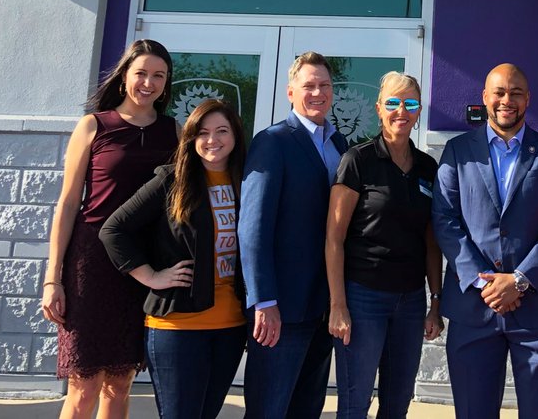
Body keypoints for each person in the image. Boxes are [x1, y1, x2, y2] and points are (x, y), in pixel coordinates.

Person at [40, 39, 179, 419]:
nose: (148, 83)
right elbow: (68, 204)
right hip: (90, 265)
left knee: (119, 386)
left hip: (142, 267)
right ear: (124, 76)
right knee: (83, 388)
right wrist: (53, 278)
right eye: (141, 73)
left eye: (159, 76)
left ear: (166, 83)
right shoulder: (93, 126)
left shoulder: (174, 132)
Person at [431, 63, 538, 419]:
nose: (506, 100)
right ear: (485, 97)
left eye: (515, 93)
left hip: (535, 310)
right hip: (473, 307)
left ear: (528, 99)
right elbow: (445, 220)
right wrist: (485, 283)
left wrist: (520, 280)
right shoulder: (457, 151)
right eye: (499, 92)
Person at [100, 99, 249, 419]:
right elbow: (113, 230)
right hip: (178, 325)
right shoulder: (171, 180)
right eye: (203, 132)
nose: (212, 140)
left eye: (222, 131)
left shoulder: (248, 182)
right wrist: (152, 276)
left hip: (231, 327)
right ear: (191, 138)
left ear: (236, 135)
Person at [326, 72, 444, 419]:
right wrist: (338, 305)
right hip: (364, 298)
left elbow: (431, 241)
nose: (401, 111)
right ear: (379, 109)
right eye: (393, 102)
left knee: (397, 404)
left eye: (410, 103)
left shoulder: (427, 167)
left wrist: (435, 302)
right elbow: (334, 238)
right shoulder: (358, 160)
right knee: (355, 404)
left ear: (419, 111)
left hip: (410, 301)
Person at [239, 50, 349, 419]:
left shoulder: (339, 144)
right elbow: (253, 228)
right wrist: (263, 300)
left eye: (325, 85)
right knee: (268, 410)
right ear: (290, 92)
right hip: (282, 309)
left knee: (307, 408)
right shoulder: (273, 141)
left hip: (323, 306)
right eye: (309, 86)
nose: (318, 93)